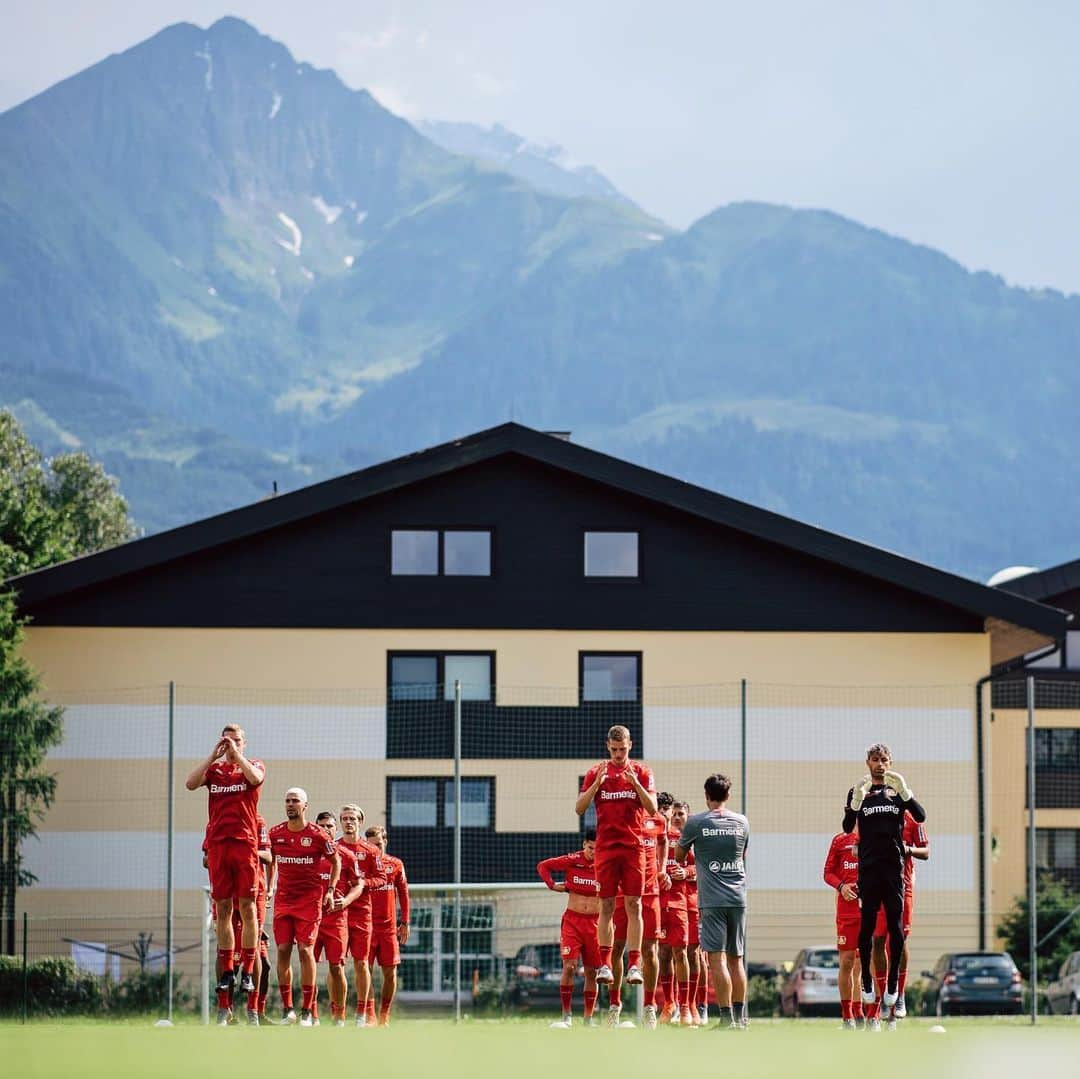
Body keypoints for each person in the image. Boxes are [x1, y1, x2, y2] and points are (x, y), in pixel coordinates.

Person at [185, 724, 265, 1024]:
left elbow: (255, 778)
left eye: (237, 740)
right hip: (218, 845)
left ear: (245, 743)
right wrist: (213, 755)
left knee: (246, 907)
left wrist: (236, 755)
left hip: (244, 844)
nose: (231, 744)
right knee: (223, 908)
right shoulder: (215, 772)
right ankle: (228, 968)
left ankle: (247, 968)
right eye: (227, 739)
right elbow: (190, 784)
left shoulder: (253, 765)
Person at [842, 743, 926, 1023]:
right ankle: (866, 978)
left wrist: (905, 790)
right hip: (868, 870)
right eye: (875, 759)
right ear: (867, 761)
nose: (880, 764)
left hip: (893, 869)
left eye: (884, 760)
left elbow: (921, 815)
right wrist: (856, 800)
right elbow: (846, 826)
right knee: (868, 929)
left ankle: (893, 986)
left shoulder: (896, 792)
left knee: (895, 927)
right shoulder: (861, 791)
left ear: (890, 762)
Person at [575, 725, 658, 991]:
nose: (619, 754)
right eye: (614, 750)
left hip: (633, 849)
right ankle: (606, 964)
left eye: (623, 749)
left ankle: (634, 964)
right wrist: (595, 786)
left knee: (634, 905)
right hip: (606, 850)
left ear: (630, 746)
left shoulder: (642, 772)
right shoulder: (596, 772)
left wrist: (635, 785)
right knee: (607, 906)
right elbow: (579, 808)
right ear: (607, 746)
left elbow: (653, 809)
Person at [675, 773, 750, 1030]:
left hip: (712, 900)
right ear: (728, 796)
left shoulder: (695, 822)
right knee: (736, 959)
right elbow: (743, 854)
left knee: (717, 960)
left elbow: (679, 854)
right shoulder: (742, 822)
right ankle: (741, 1019)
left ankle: (727, 1017)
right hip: (738, 897)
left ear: (706, 796)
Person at [268, 787, 339, 1026]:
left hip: (309, 902)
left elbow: (336, 862)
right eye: (287, 801)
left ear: (305, 806)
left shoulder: (318, 835)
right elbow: (271, 860)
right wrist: (269, 886)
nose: (290, 805)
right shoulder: (275, 833)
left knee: (306, 951)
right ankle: (288, 1009)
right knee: (283, 951)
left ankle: (307, 1011)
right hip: (284, 901)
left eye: (295, 801)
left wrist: (329, 890)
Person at [537, 828, 601, 1028]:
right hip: (573, 922)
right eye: (591, 848)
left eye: (598, 849)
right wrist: (551, 884)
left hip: (596, 923)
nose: (593, 853)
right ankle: (566, 1016)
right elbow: (543, 866)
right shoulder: (573, 860)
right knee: (569, 967)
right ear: (584, 845)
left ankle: (588, 1019)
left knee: (592, 972)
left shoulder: (606, 865)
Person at [870, 810, 929, 1024]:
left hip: (902, 890)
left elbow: (926, 851)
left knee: (899, 940)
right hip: (877, 887)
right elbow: (858, 847)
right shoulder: (873, 814)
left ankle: (900, 994)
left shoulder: (913, 819)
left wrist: (907, 849)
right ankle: (884, 997)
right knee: (877, 941)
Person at [314, 811, 366, 1027]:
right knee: (310, 965)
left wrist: (345, 901)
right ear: (316, 828)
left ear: (336, 830)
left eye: (330, 826)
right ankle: (311, 1014)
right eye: (322, 826)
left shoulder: (346, 856)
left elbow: (358, 884)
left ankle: (340, 1016)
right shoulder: (308, 854)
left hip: (336, 921)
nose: (326, 829)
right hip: (310, 918)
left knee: (337, 968)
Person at [337, 804, 385, 1026]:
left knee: (361, 963)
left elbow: (381, 878)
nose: (348, 822)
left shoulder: (371, 851)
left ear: (360, 822)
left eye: (353, 819)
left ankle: (361, 1013)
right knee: (335, 964)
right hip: (337, 914)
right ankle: (337, 1013)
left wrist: (362, 884)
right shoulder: (333, 848)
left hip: (362, 913)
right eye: (345, 818)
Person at [364, 825, 410, 1026]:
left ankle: (384, 1014)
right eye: (371, 846)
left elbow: (404, 894)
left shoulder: (395, 865)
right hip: (365, 928)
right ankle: (370, 1014)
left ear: (386, 842)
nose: (376, 849)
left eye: (379, 845)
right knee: (364, 971)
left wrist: (405, 922)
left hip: (389, 929)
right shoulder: (361, 866)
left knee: (390, 973)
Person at [823, 826, 863, 1030]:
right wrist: (841, 887)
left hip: (873, 909)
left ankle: (870, 1014)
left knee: (870, 962)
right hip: (847, 913)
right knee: (847, 963)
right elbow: (827, 873)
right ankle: (848, 1016)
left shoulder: (878, 836)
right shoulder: (840, 840)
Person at [659, 799, 693, 1026]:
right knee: (662, 954)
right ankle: (667, 1003)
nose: (675, 817)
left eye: (680, 813)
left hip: (681, 902)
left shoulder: (687, 839)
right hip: (658, 902)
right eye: (673, 812)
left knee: (682, 952)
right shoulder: (655, 835)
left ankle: (685, 1007)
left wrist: (686, 872)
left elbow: (699, 865)